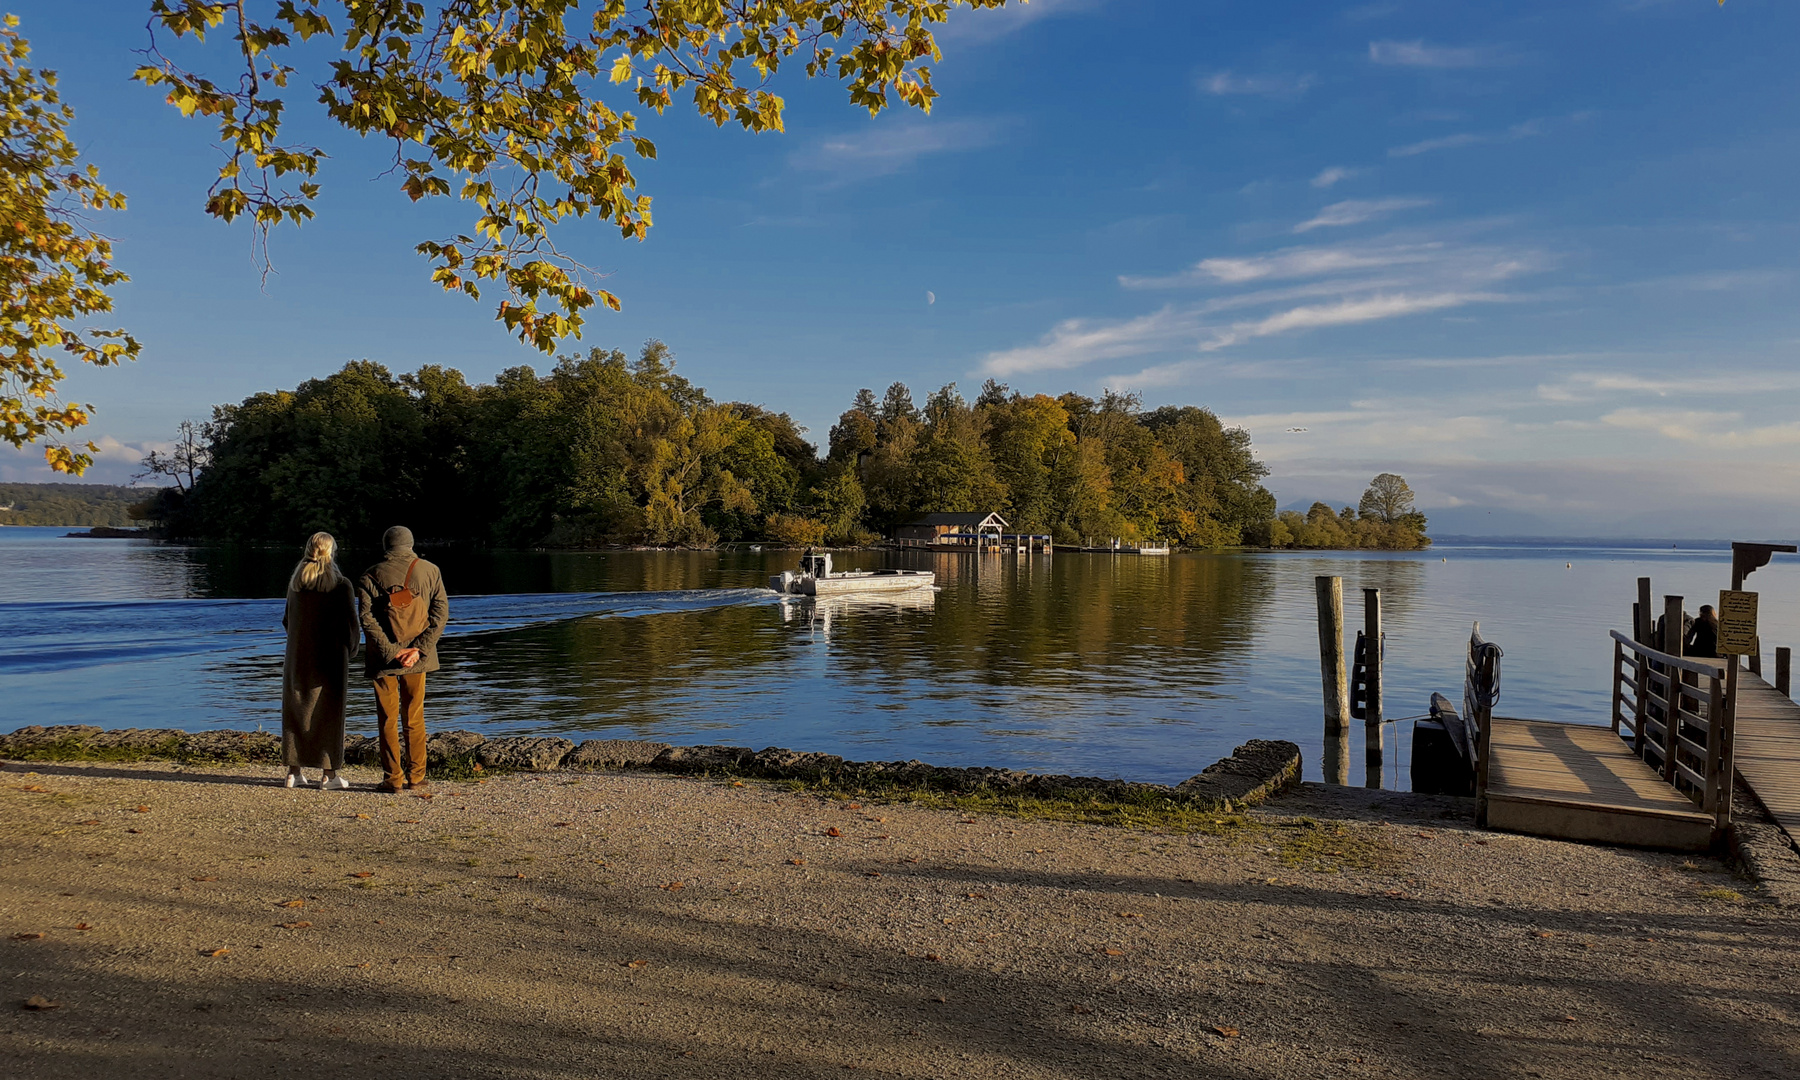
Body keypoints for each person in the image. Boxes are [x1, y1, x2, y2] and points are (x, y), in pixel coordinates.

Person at [357, 526, 449, 794]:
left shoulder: (369, 575)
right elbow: (440, 614)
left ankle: (392, 779)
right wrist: (418, 649)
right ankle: (416, 777)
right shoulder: (430, 570)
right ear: (410, 545)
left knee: (387, 718)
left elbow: (366, 619)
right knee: (414, 716)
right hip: (417, 658)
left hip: (383, 659)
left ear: (385, 545)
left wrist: (391, 651)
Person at [281, 532, 358, 790]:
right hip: (331, 659)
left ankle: (294, 772)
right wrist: (352, 650)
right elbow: (351, 626)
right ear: (330, 552)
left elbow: (286, 621)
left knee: (296, 713)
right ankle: (329, 775)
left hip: (297, 656)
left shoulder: (295, 584)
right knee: (329, 715)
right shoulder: (341, 585)